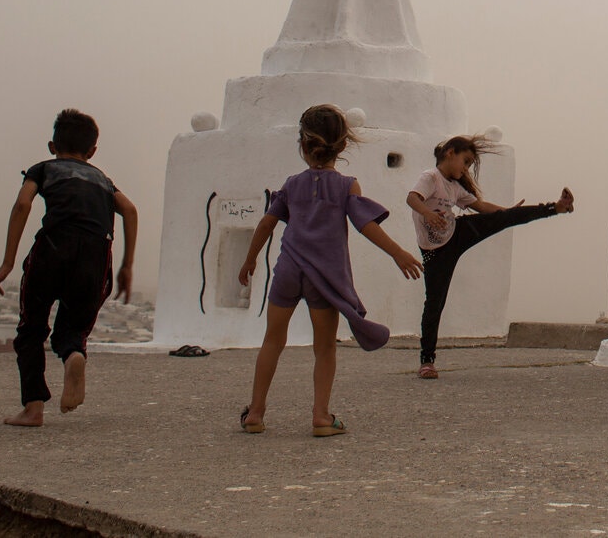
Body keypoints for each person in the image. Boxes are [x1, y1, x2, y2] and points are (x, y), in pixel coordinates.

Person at [237, 104, 424, 435]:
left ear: (303, 145)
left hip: (288, 271)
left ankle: (255, 413)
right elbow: (366, 224)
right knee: (323, 348)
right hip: (324, 278)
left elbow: (267, 224)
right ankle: (321, 416)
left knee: (272, 340)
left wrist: (250, 259)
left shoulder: (292, 185)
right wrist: (398, 253)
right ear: (342, 146)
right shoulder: (347, 185)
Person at [0, 108, 138, 427]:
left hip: (53, 249)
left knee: (31, 329)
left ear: (52, 146)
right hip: (97, 254)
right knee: (71, 330)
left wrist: (7, 263)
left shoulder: (43, 169)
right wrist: (127, 266)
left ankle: (33, 408)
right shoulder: (103, 180)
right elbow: (130, 209)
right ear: (93, 150)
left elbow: (23, 204)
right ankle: (73, 356)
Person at [407, 136, 573, 378]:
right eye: (465, 162)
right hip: (435, 252)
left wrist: (508, 213)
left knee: (503, 218)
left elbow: (482, 208)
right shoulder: (430, 177)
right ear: (450, 153)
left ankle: (556, 207)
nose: (465, 169)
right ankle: (427, 361)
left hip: (456, 234)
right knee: (434, 303)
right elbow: (412, 198)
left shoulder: (454, 187)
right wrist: (427, 214)